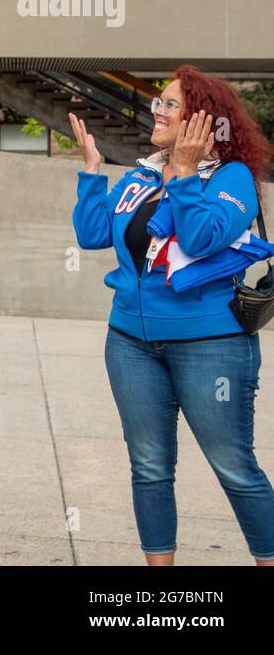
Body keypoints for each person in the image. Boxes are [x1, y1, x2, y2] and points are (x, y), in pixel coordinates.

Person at [70, 65, 274, 565]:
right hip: (130, 343)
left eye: (169, 104)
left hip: (211, 346)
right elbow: (94, 233)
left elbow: (203, 237)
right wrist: (93, 170)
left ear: (203, 120)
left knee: (233, 465)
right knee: (149, 466)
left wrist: (183, 173)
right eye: (157, 102)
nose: (155, 111)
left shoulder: (233, 178)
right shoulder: (141, 173)